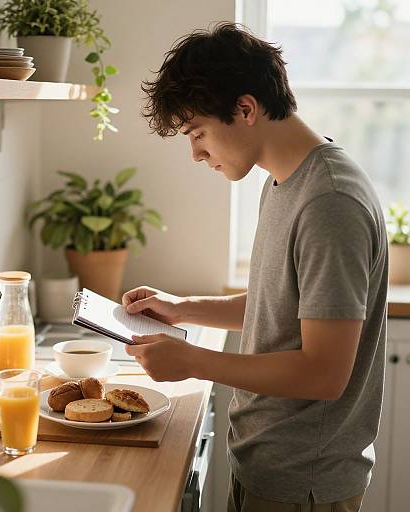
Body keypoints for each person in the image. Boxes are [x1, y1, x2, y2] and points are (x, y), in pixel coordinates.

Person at [122, 22, 388, 512]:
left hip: (303, 480)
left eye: (197, 132)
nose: (196, 153)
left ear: (245, 109)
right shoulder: (286, 181)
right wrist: (181, 309)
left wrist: (194, 363)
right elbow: (281, 306)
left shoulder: (330, 201)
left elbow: (324, 373)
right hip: (269, 463)